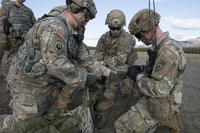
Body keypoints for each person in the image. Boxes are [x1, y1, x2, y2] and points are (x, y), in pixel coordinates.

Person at [6, 0, 124, 128]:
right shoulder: (54, 27)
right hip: (26, 81)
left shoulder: (74, 32)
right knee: (25, 125)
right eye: (87, 17)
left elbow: (86, 60)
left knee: (44, 116)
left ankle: (55, 111)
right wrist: (84, 78)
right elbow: (56, 65)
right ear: (78, 10)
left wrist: (108, 73)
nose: (86, 21)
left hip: (45, 78)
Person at [114, 9, 186, 133]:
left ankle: (164, 117)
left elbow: (159, 90)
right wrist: (142, 69)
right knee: (125, 84)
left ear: (151, 29)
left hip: (163, 102)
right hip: (169, 93)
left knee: (120, 126)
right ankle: (169, 118)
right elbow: (158, 72)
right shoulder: (162, 46)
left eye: (139, 35)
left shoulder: (167, 52)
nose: (139, 40)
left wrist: (138, 76)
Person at [94, 9, 138, 112]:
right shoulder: (104, 37)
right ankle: (98, 88)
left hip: (125, 63)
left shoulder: (127, 38)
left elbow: (120, 59)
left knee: (114, 72)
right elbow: (98, 53)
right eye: (112, 28)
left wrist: (104, 63)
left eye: (118, 28)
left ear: (122, 26)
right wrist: (97, 63)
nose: (115, 31)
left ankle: (109, 99)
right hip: (110, 61)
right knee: (95, 68)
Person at [0, 0, 36, 76]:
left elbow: (34, 24)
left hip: (25, 40)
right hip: (12, 39)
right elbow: (1, 22)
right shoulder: (7, 6)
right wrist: (2, 38)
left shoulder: (28, 10)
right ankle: (9, 78)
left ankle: (17, 78)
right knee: (11, 60)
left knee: (23, 59)